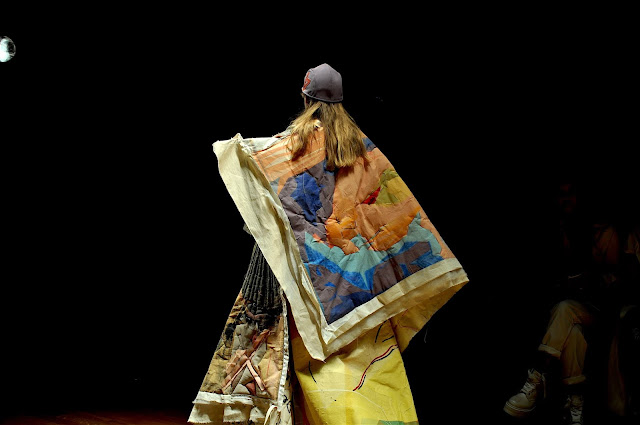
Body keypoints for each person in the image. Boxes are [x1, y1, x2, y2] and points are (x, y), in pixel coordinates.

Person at [189, 63, 469, 424]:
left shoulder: (295, 141)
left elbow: (268, 181)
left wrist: (239, 149)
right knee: (364, 354)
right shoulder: (361, 145)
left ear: (304, 97)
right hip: (357, 275)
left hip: (309, 272)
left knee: (309, 358)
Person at [503, 180, 623, 424]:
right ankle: (574, 405)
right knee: (572, 330)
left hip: (599, 312)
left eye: (571, 194)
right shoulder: (556, 230)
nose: (566, 200)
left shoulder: (603, 231)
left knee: (565, 310)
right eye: (561, 194)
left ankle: (536, 379)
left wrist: (593, 281)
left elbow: (617, 285)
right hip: (566, 315)